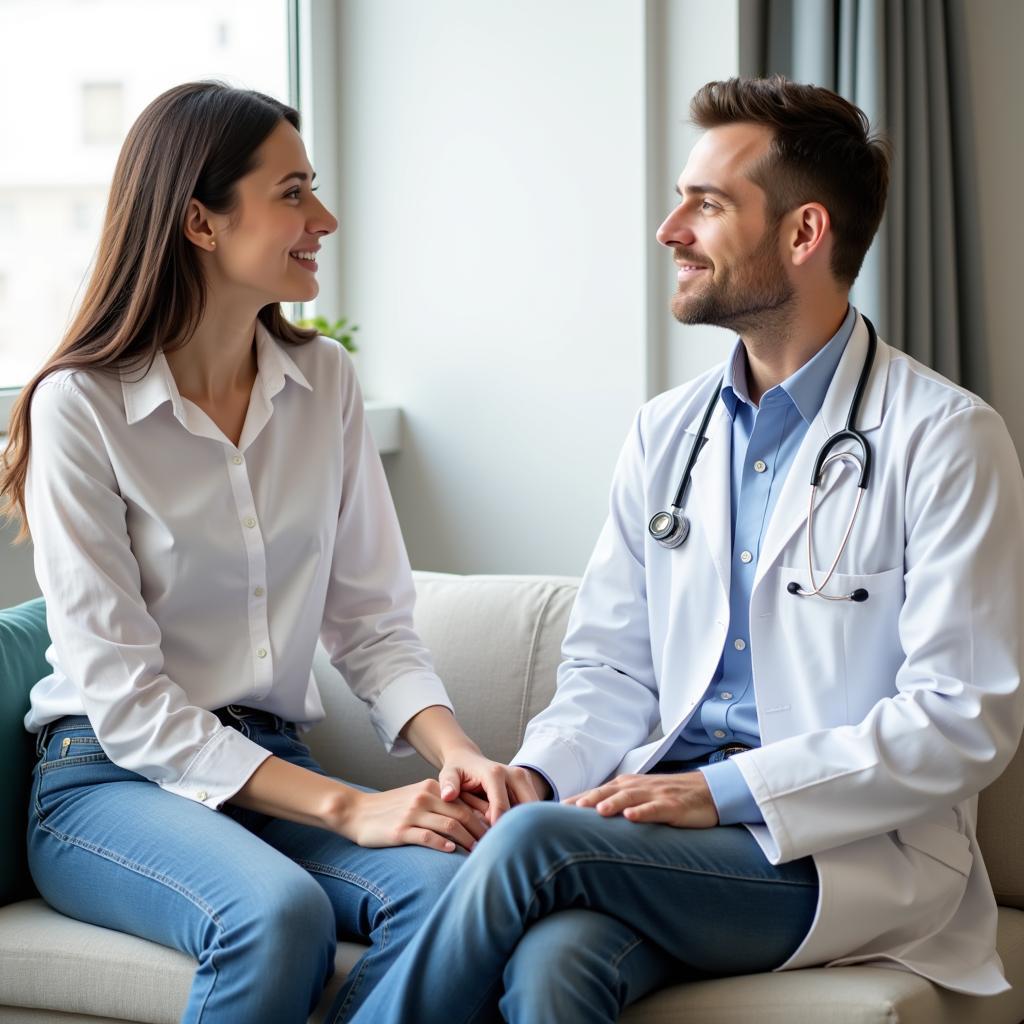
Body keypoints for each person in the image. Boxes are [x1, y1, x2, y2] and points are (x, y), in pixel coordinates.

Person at [348, 75, 1024, 1023]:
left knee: (537, 845)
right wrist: (538, 773)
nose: (670, 229)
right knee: (556, 966)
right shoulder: (668, 433)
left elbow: (961, 721)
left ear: (803, 233)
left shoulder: (947, 439)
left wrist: (719, 791)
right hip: (663, 832)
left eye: (706, 205)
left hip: (844, 850)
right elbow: (608, 668)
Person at [0, 81, 535, 1024]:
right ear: (200, 221)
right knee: (275, 913)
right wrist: (349, 806)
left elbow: (371, 623)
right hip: (108, 779)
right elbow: (124, 700)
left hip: (266, 764)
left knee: (461, 900)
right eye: (292, 193)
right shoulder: (78, 407)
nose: (321, 218)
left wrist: (457, 754)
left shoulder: (323, 381)